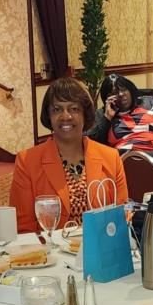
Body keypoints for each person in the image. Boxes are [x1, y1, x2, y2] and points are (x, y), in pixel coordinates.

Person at [12, 77, 129, 233]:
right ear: (49, 115)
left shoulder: (111, 157)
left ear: (85, 114)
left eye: (74, 109)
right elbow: (23, 228)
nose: (65, 116)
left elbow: (122, 216)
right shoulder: (27, 161)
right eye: (57, 109)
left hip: (100, 251)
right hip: (50, 253)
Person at [87, 73, 153, 152]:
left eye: (124, 89)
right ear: (107, 98)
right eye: (114, 93)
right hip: (125, 161)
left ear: (130, 89)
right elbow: (91, 142)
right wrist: (107, 119)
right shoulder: (103, 114)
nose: (121, 94)